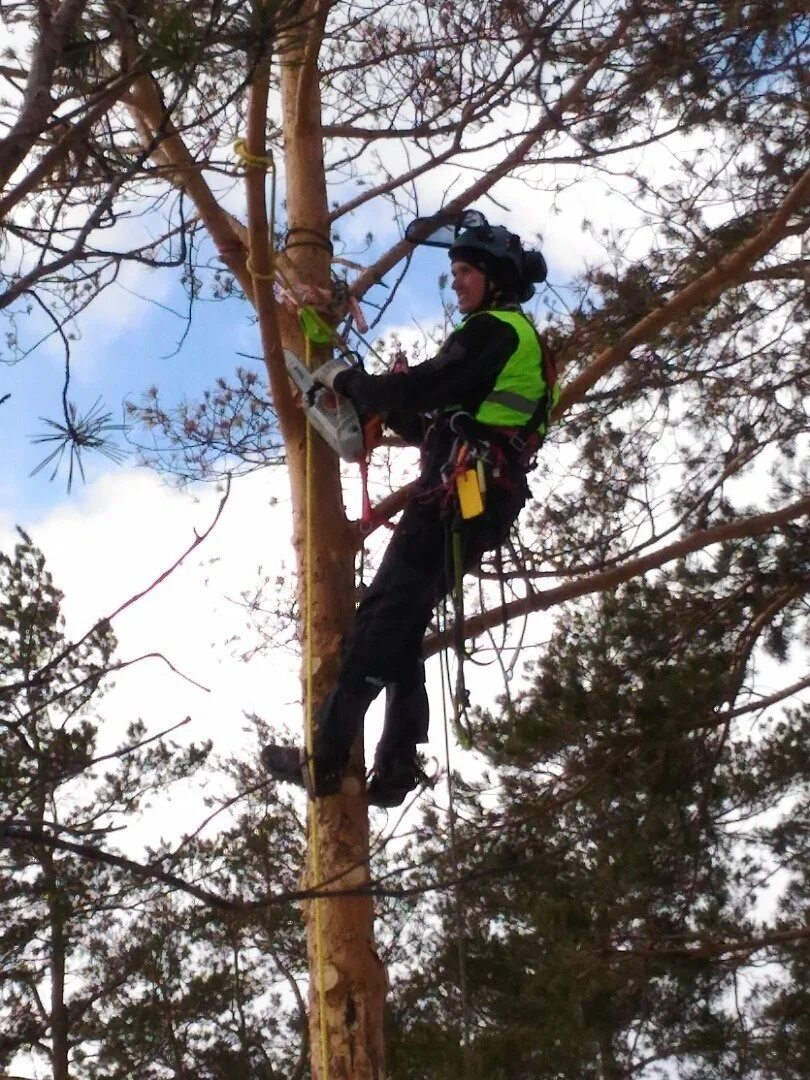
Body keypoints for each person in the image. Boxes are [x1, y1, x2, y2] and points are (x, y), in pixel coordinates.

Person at [263, 213, 556, 807]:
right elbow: (437, 418)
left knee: (382, 619)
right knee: (404, 624)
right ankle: (395, 768)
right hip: (477, 501)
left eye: (466, 271)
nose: (457, 283)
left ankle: (323, 760)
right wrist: (390, 407)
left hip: (456, 502)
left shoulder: (494, 330)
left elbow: (422, 390)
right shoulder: (513, 344)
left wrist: (352, 381)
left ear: (495, 278)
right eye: (455, 272)